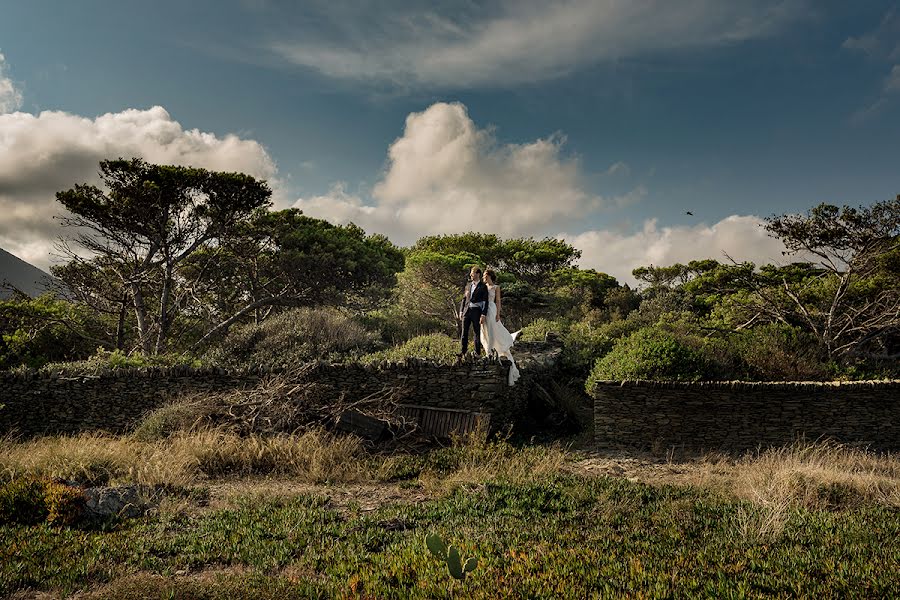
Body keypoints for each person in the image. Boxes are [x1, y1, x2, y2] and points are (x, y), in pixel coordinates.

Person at [480, 269, 521, 385]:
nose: (484, 277)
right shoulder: (482, 286)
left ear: (489, 276)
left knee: (493, 330)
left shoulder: (496, 287)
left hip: (492, 309)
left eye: (485, 275)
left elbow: (498, 301)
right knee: (485, 332)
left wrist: (498, 313)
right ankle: (488, 350)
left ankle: (490, 351)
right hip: (483, 310)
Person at [459, 266, 489, 356]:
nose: (471, 275)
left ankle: (477, 352)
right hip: (466, 311)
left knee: (476, 332)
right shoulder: (468, 285)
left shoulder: (483, 286)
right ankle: (463, 351)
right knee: (464, 332)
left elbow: (485, 301)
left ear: (478, 274)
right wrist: (461, 311)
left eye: (472, 273)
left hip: (476, 311)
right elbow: (464, 299)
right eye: (471, 273)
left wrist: (483, 314)